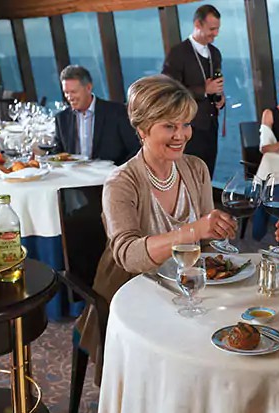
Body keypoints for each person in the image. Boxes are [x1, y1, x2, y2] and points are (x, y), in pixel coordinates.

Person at [75, 74, 237, 381]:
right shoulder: (121, 182)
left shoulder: (196, 169)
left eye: (185, 124)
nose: (182, 135)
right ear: (142, 129)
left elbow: (208, 241)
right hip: (130, 290)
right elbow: (129, 256)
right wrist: (195, 231)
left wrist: (218, 231)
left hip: (187, 285)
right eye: (169, 126)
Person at [162, 4, 224, 179]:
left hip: (210, 126)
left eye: (218, 29)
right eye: (212, 29)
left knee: (206, 174)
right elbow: (169, 92)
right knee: (187, 176)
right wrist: (204, 90)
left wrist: (220, 98)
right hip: (187, 126)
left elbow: (215, 84)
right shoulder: (178, 53)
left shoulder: (215, 53)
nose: (216, 34)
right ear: (198, 24)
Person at [53, 65, 139, 166]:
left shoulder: (117, 113)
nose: (69, 97)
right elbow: (57, 154)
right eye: (66, 92)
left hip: (110, 177)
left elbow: (135, 149)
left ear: (88, 88)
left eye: (73, 92)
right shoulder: (61, 119)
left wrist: (119, 172)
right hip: (74, 179)